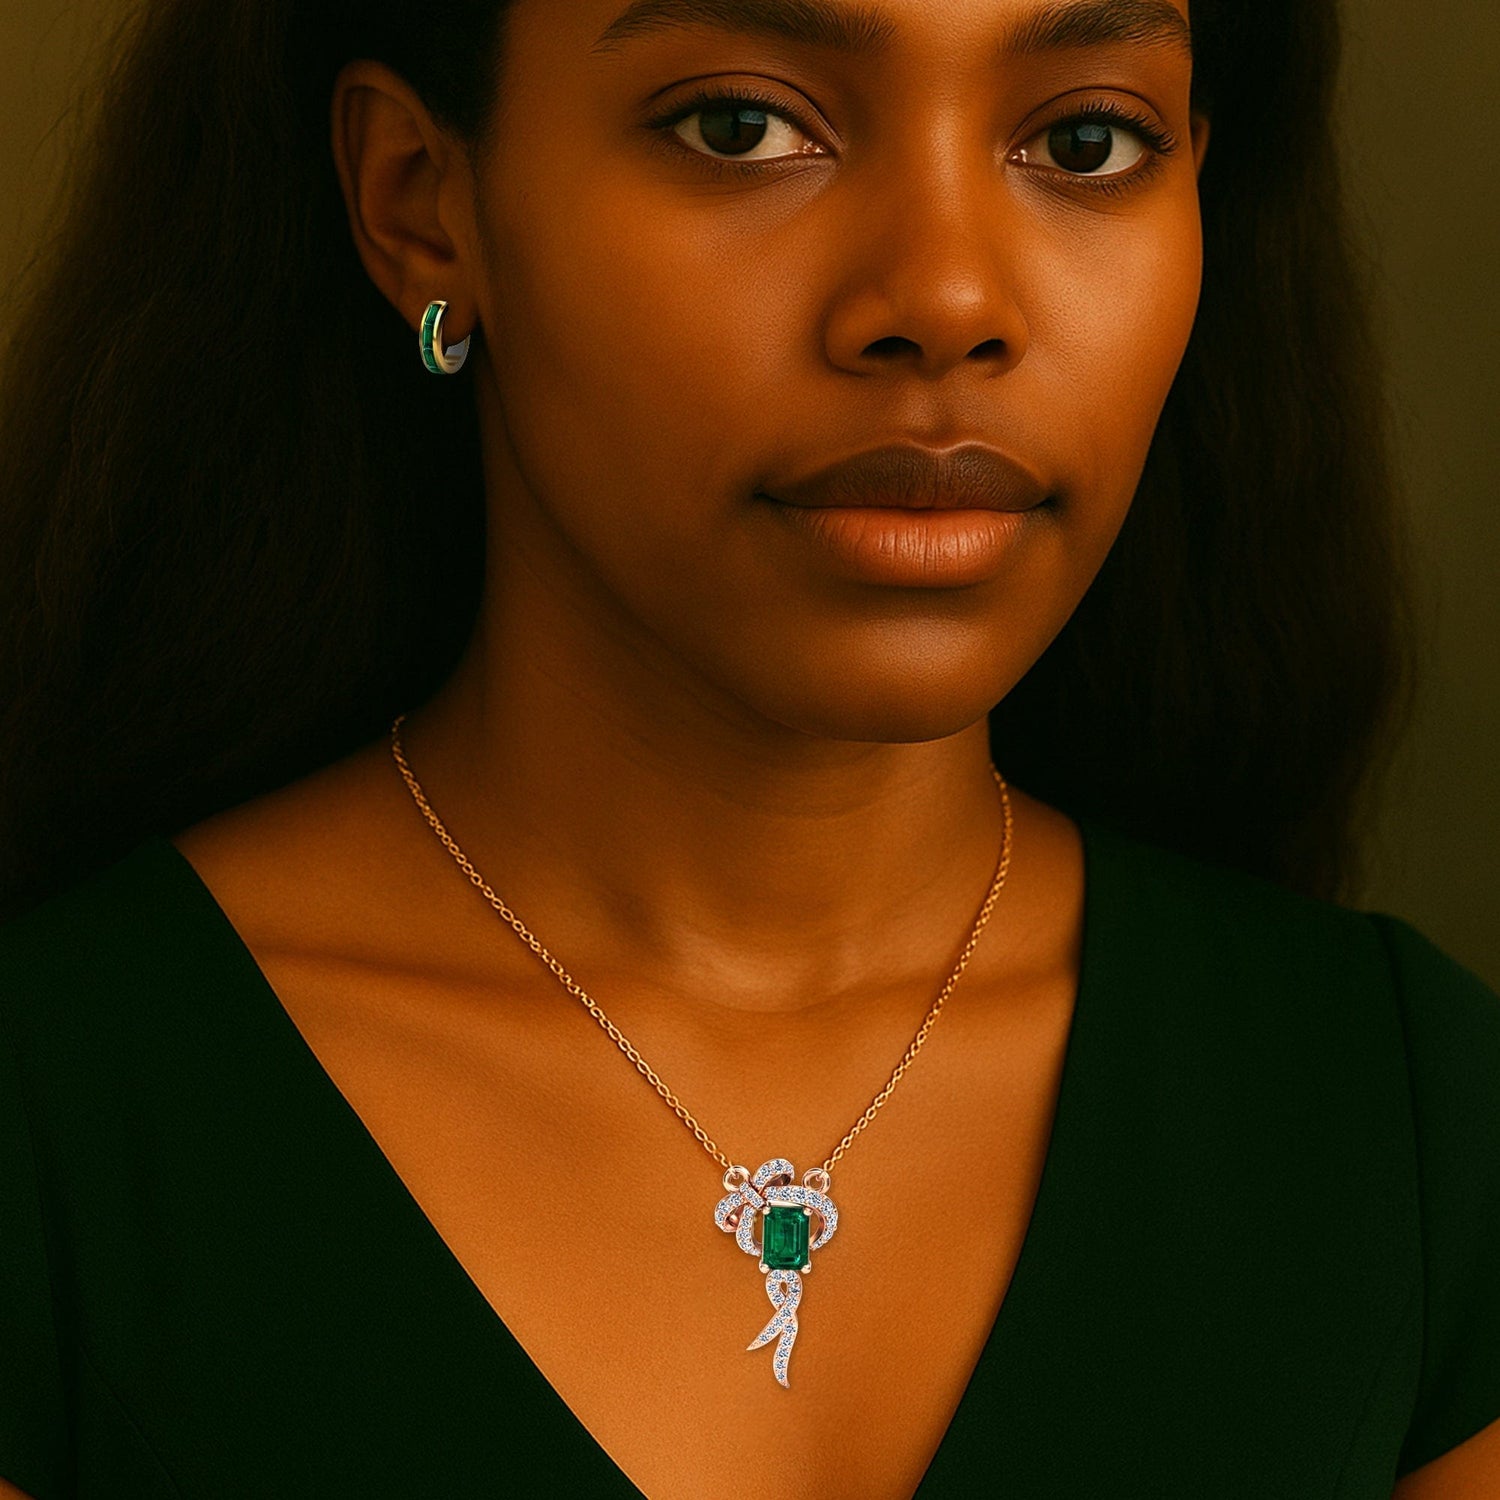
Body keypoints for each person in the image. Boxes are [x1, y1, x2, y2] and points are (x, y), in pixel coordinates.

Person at [0, 0, 1496, 1495]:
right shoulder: (59, 1133)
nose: (949, 295)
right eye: (742, 126)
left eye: (1085, 141)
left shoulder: (1418, 1136)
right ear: (421, 204)